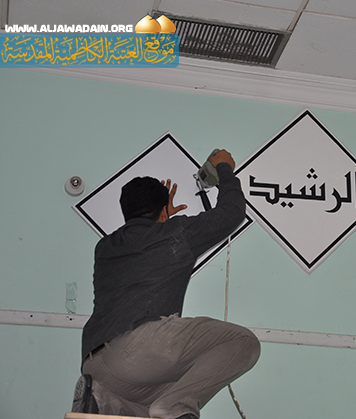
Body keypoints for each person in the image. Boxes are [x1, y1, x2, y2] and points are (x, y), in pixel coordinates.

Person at [71, 149, 260, 419]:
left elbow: (147, 248)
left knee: (160, 401)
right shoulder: (176, 233)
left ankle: (103, 402)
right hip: (138, 350)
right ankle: (175, 406)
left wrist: (162, 220)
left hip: (97, 365)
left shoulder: (105, 247)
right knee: (244, 342)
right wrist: (225, 169)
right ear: (162, 210)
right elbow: (232, 213)